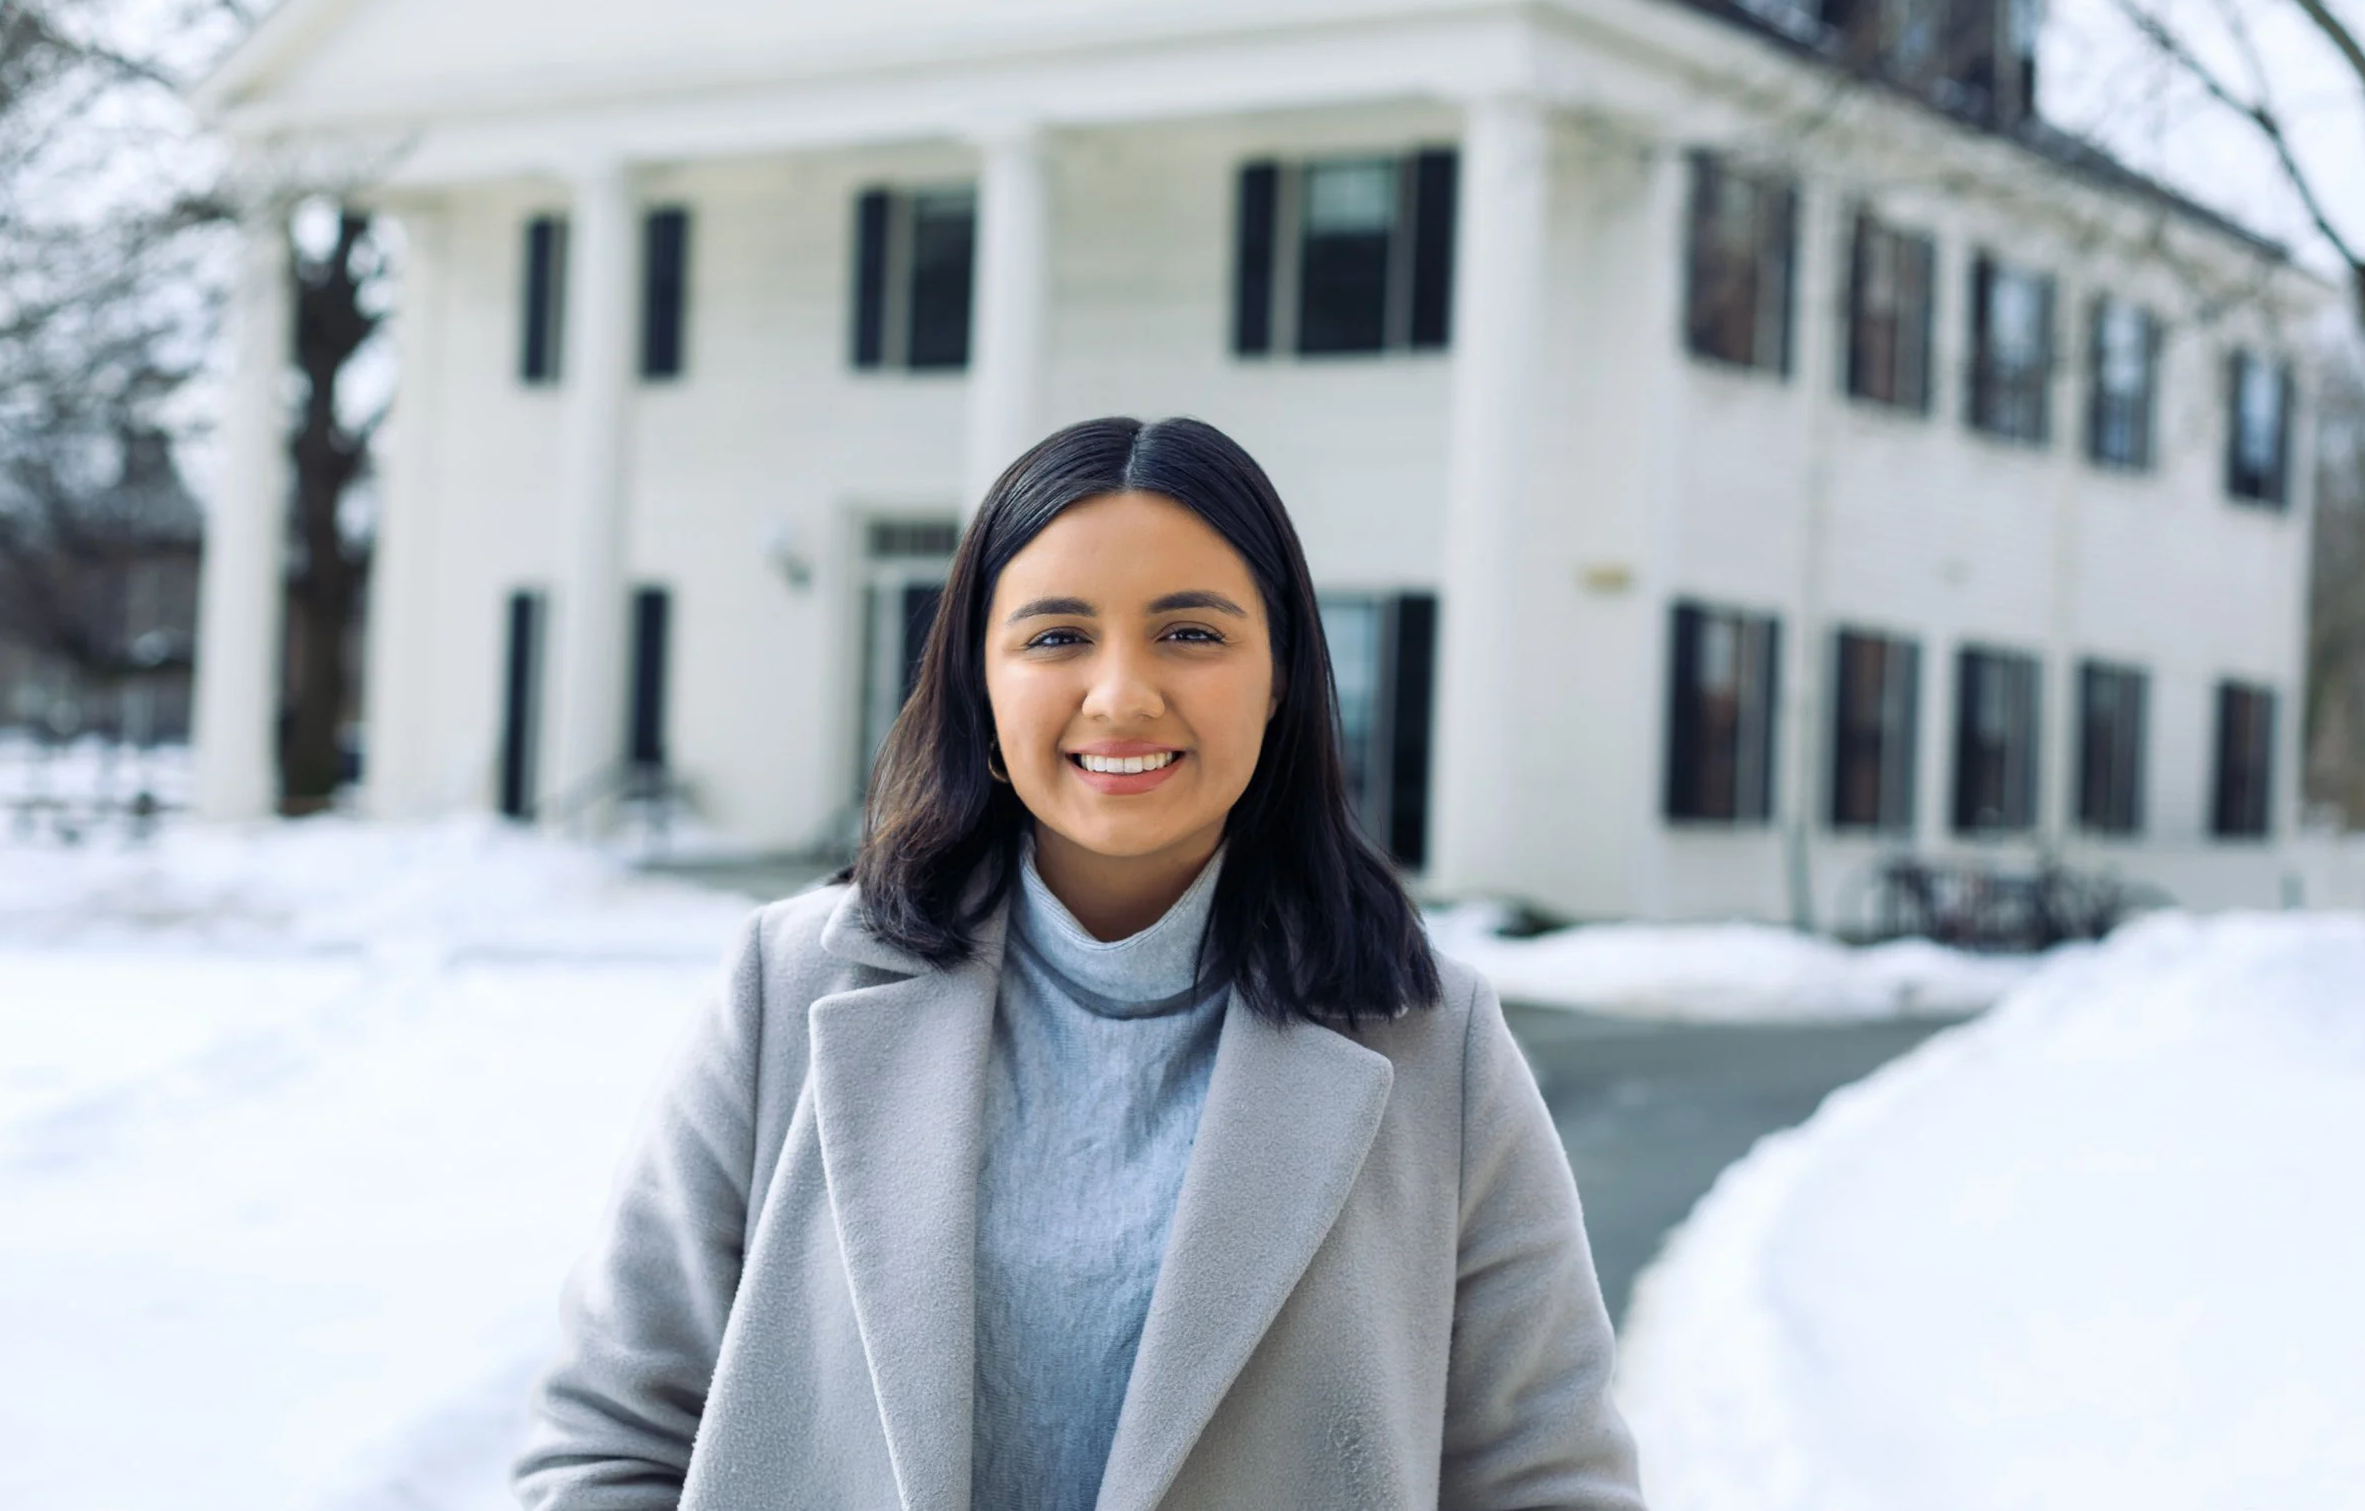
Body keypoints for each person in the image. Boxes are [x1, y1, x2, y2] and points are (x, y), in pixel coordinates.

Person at [513, 416, 1642, 1510]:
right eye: (1055, 635)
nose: (1119, 693)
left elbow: (1549, 1477)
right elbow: (611, 1435)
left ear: (1283, 672)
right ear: (979, 676)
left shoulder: (1431, 1044)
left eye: (1190, 632)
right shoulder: (789, 986)